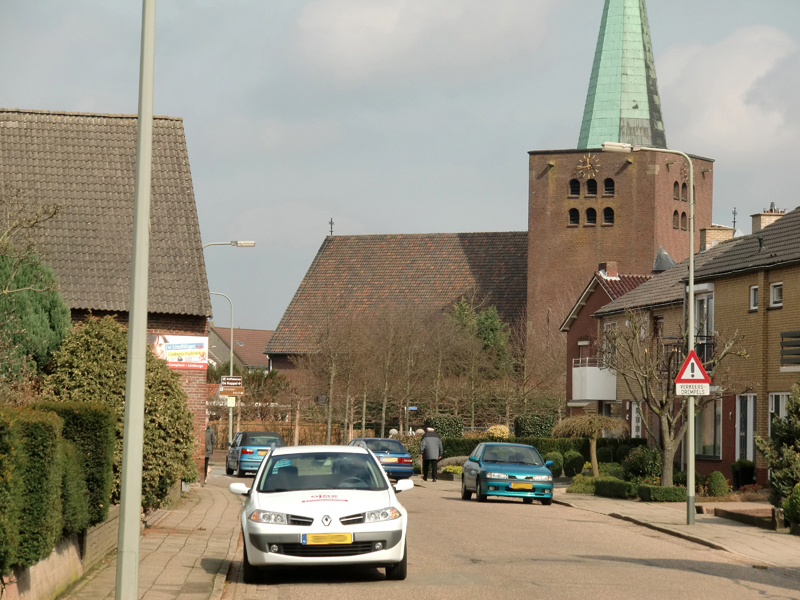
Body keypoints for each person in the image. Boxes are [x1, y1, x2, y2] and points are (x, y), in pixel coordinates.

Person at [204, 418, 216, 485]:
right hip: (201, 449)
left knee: (205, 464)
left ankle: (205, 477)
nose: (204, 423)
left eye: (205, 422)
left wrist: (212, 449)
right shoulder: (201, 429)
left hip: (207, 450)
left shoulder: (210, 430)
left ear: (207, 422)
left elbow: (213, 440)